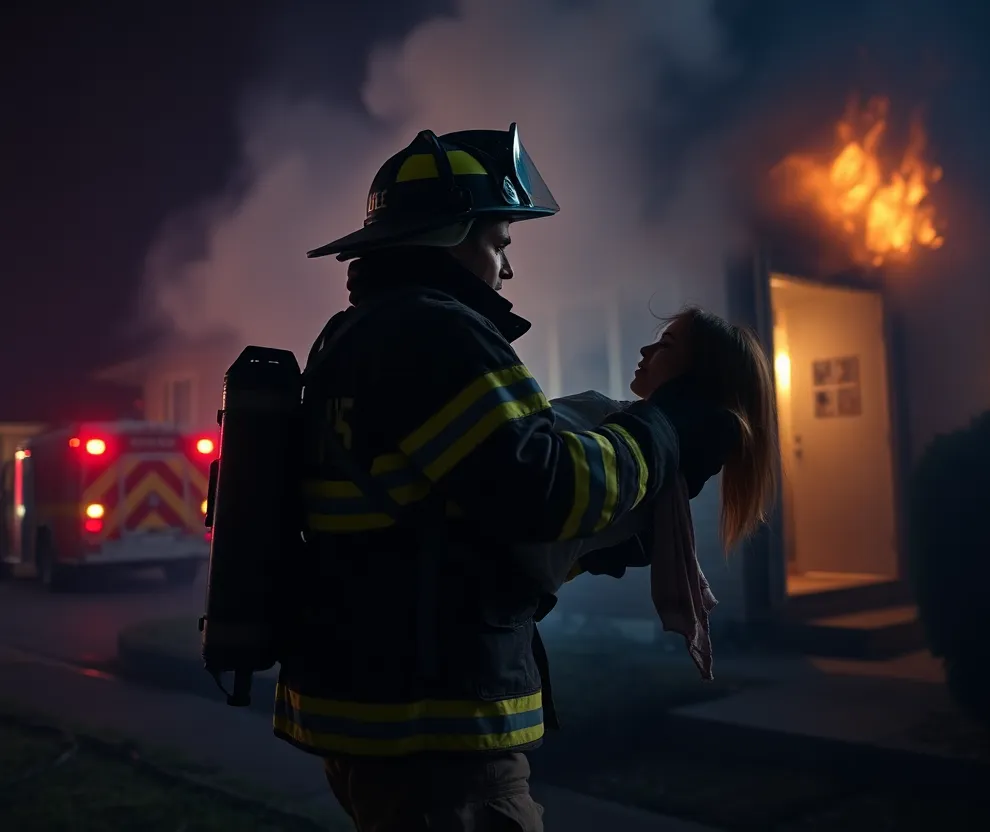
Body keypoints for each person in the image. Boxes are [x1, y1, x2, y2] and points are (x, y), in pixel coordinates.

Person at [276, 123, 735, 832]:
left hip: (379, 711)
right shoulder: (435, 336)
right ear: (450, 234)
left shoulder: (361, 333)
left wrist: (604, 543)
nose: (507, 270)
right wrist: (666, 431)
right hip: (433, 727)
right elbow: (547, 489)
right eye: (501, 244)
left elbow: (448, 522)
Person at [522, 306, 779, 589]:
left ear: (698, 374)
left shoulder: (599, 414)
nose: (646, 349)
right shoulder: (668, 480)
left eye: (665, 345)